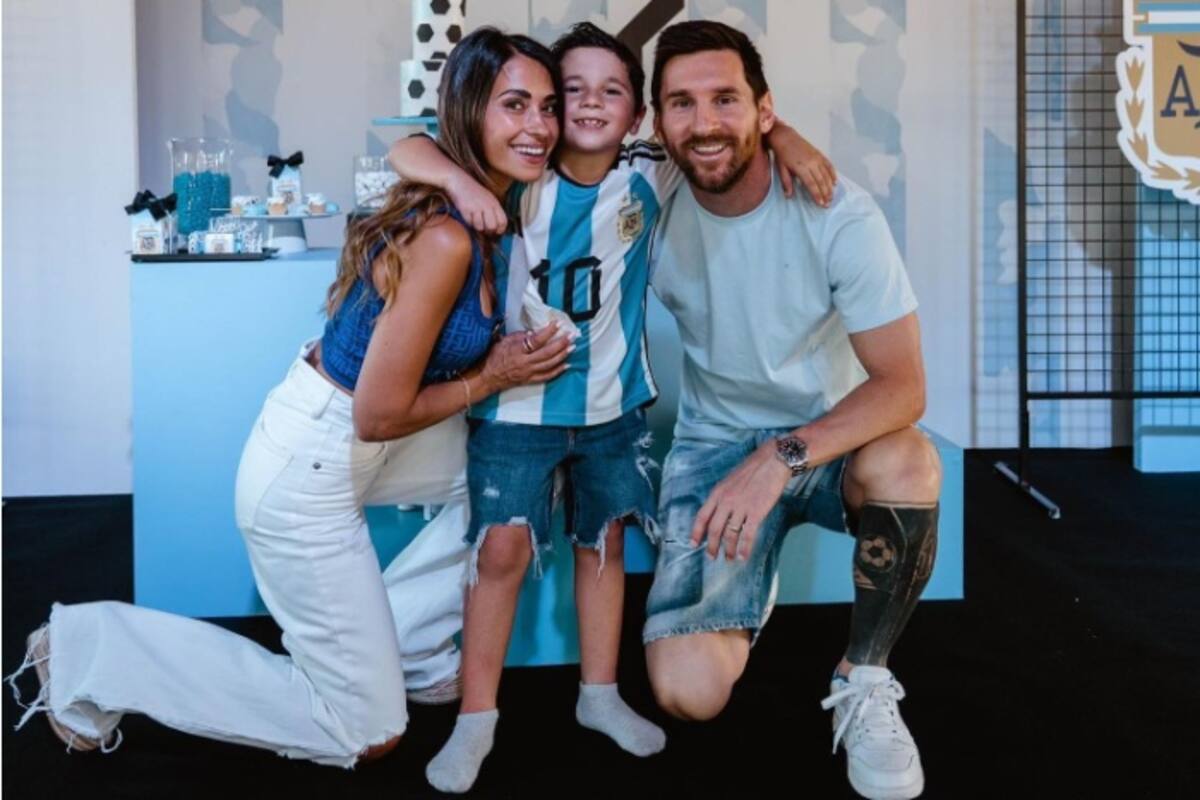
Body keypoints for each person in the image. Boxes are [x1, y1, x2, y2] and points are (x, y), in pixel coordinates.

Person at [5, 27, 570, 769]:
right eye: (515, 105)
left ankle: (405, 648)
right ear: (470, 113)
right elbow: (376, 414)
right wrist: (490, 376)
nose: (539, 126)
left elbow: (414, 156)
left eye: (549, 108)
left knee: (525, 476)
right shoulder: (447, 239)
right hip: (314, 463)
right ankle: (87, 648)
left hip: (361, 445)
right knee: (367, 734)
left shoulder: (487, 212)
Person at [389, 21, 836, 794]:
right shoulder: (517, 168)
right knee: (500, 554)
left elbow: (723, 132)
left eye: (613, 90)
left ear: (637, 117)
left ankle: (599, 696)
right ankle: (477, 716)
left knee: (604, 547)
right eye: (573, 91)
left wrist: (785, 135)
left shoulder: (649, 175)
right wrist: (459, 183)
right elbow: (408, 149)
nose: (591, 102)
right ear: (551, 109)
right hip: (516, 409)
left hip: (612, 410)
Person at [642, 21, 941, 800]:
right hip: (712, 442)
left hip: (828, 439)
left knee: (909, 457)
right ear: (655, 122)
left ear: (763, 109)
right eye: (681, 103)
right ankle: (753, 572)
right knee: (688, 693)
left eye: (725, 100)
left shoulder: (837, 211)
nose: (704, 122)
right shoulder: (653, 188)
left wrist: (777, 460)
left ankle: (865, 674)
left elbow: (905, 388)